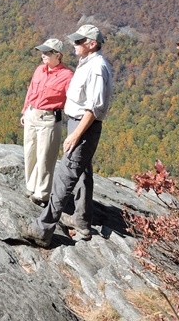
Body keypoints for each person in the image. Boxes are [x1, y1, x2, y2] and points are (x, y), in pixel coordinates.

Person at [23, 24, 113, 247]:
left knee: (64, 175)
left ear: (92, 44)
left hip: (83, 126)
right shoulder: (86, 64)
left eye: (79, 41)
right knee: (82, 173)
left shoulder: (97, 68)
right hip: (77, 123)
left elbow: (94, 108)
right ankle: (81, 220)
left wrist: (75, 135)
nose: (74, 44)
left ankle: (43, 228)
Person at [20, 38, 73, 206]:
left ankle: (42, 194)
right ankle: (30, 187)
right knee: (30, 153)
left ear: (58, 55)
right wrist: (25, 111)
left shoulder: (67, 76)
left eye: (47, 52)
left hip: (49, 119)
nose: (43, 55)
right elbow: (31, 91)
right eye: (42, 52)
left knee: (45, 157)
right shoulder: (39, 70)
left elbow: (73, 100)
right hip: (32, 115)